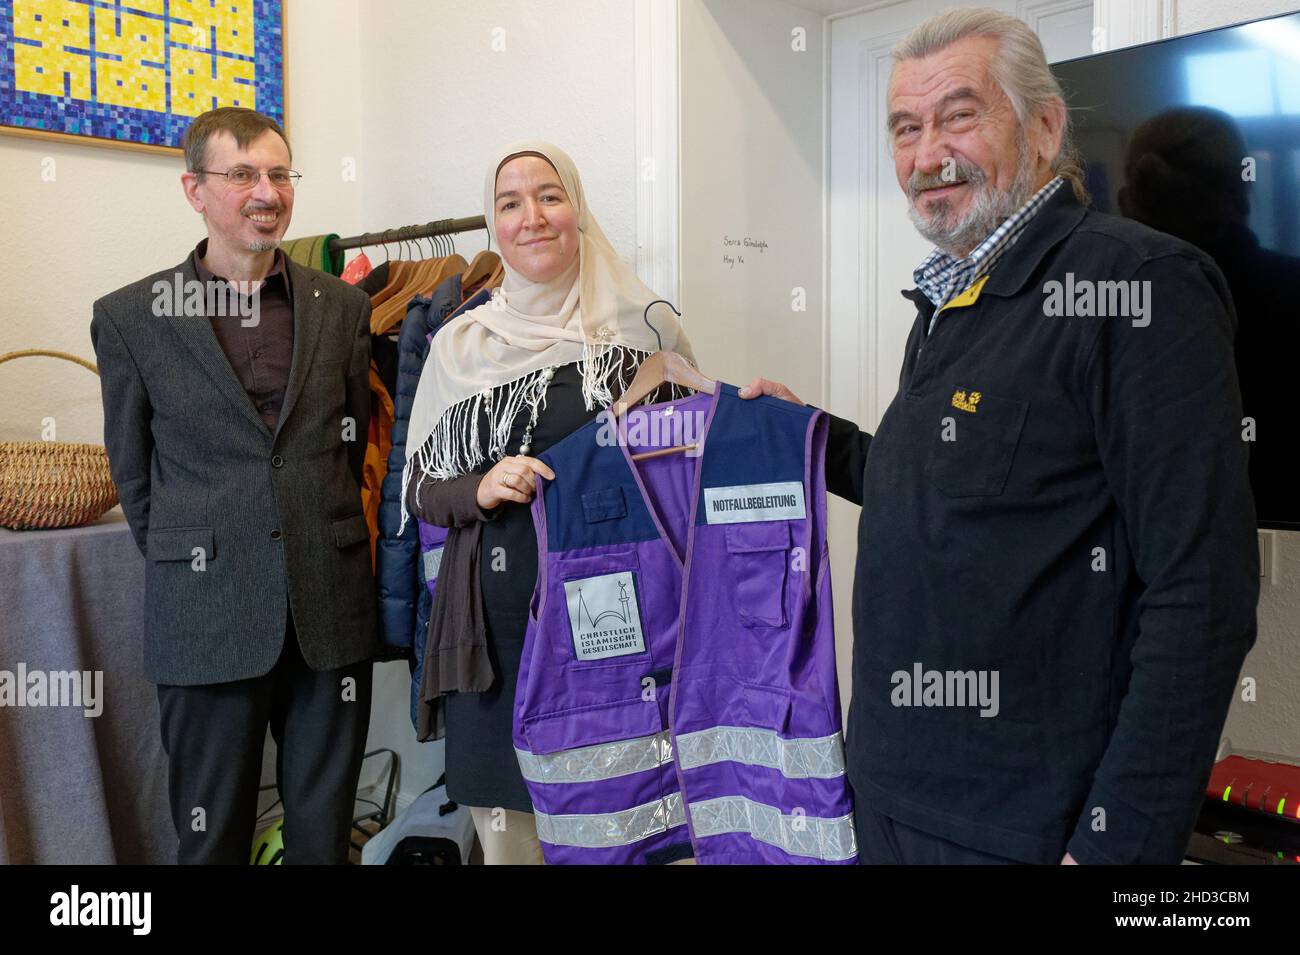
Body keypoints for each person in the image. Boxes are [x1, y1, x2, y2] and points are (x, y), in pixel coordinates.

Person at [741, 7, 1258, 864]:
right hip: (886, 793)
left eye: (958, 114)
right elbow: (946, 486)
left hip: (1025, 827)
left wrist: (1115, 847)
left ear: (1046, 126)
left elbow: (1202, 593)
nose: (925, 153)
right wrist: (800, 433)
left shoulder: (1137, 287)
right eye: (906, 127)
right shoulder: (949, 301)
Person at [91, 107, 378, 864]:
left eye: (280, 174)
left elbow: (348, 446)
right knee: (209, 836)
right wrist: (203, 558)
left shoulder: (343, 308)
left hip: (327, 607)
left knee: (323, 837)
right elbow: (135, 474)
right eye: (243, 173)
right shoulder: (130, 318)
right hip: (204, 613)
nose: (267, 191)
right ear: (195, 189)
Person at [401, 141, 692, 865]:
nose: (532, 216)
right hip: (493, 645)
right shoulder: (459, 345)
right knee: (514, 847)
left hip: (619, 637)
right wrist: (480, 485)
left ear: (578, 209)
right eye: (510, 203)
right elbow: (417, 492)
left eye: (549, 196)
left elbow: (690, 474)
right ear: (494, 226)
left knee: (626, 832)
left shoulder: (648, 329)